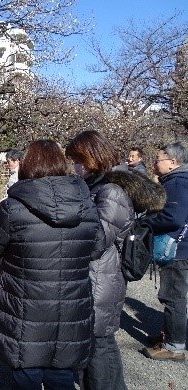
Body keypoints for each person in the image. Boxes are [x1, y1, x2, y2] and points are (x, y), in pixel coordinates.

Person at [0, 139, 106, 389]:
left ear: (27, 165)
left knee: (26, 372)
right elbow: (97, 249)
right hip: (72, 304)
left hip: (24, 306)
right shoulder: (86, 206)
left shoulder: (12, 208)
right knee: (61, 375)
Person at [65, 130, 147, 390]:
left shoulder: (110, 190)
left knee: (97, 346)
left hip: (101, 276)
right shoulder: (98, 186)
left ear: (91, 157)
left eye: (78, 160)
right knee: (99, 343)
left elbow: (97, 240)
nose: (75, 167)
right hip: (97, 275)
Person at [142, 141, 188, 361]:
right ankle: (171, 335)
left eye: (158, 159)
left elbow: (173, 217)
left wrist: (148, 222)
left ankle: (174, 346)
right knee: (173, 295)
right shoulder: (178, 180)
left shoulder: (178, 182)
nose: (154, 163)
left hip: (176, 250)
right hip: (180, 247)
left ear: (173, 162)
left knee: (172, 297)